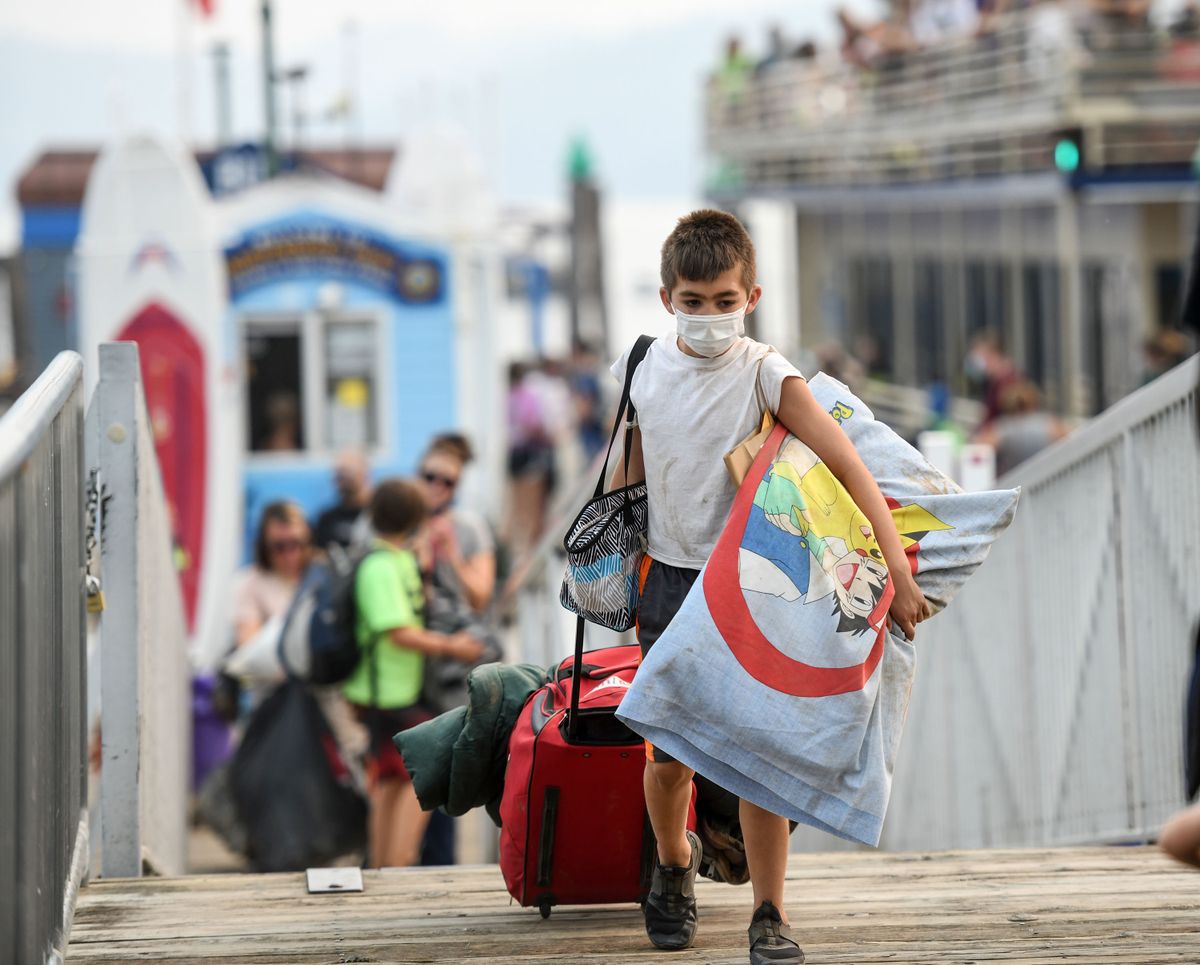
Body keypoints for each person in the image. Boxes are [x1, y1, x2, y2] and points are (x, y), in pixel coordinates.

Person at [610, 210, 930, 964]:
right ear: (666, 299)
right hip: (667, 578)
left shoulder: (765, 371)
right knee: (666, 756)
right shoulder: (643, 367)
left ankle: (771, 912)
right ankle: (674, 864)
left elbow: (848, 465)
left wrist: (900, 570)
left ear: (752, 293)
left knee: (759, 754)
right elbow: (630, 466)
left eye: (726, 301)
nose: (712, 317)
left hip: (748, 585)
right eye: (694, 301)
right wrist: (617, 561)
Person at [342, 478, 484, 869]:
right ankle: (398, 866)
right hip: (385, 695)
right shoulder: (379, 566)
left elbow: (417, 605)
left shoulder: (399, 560)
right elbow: (398, 631)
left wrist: (423, 565)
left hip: (403, 693)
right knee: (425, 771)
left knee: (390, 782)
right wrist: (453, 647)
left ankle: (383, 871)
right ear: (417, 518)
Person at [415, 432, 501, 865]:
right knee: (401, 771)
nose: (435, 486)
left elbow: (480, 597)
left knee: (440, 764)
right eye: (427, 476)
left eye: (446, 481)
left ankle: (438, 868)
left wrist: (449, 553)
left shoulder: (467, 527)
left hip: (450, 665)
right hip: (409, 662)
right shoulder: (402, 521)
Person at [232, 500, 313, 649]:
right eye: (279, 546)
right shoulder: (249, 583)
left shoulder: (323, 573)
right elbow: (249, 648)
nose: (290, 554)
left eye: (296, 543)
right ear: (264, 546)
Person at [974, 379, 1069, 475]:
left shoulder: (1003, 427)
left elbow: (978, 449)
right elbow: (1069, 441)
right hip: (1044, 477)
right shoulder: (1049, 424)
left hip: (1012, 479)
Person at [313, 449, 372, 552]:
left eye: (348, 474)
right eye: (339, 476)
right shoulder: (327, 519)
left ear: (364, 474)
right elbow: (317, 553)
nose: (343, 482)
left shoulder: (378, 515)